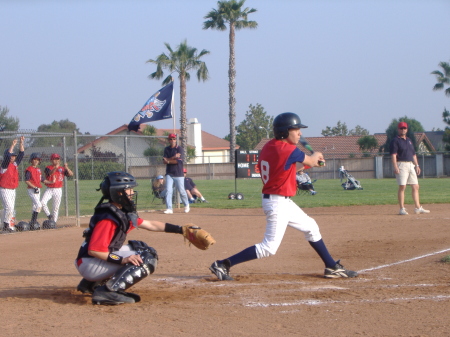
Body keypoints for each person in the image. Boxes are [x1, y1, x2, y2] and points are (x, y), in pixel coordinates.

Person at [209, 112, 358, 280]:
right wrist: (316, 157)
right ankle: (223, 264)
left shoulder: (269, 146)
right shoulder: (288, 149)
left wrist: (312, 161)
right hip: (277, 203)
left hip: (281, 201)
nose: (299, 133)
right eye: (295, 130)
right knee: (269, 248)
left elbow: (287, 169)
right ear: (284, 132)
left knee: (311, 227)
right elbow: (309, 160)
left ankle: (331, 266)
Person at [74, 171, 195, 305]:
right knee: (145, 258)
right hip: (90, 263)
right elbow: (94, 250)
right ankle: (109, 292)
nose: (132, 193)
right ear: (118, 192)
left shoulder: (120, 212)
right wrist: (122, 259)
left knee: (142, 248)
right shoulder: (108, 219)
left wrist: (181, 230)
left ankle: (90, 285)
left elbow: (150, 224)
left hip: (91, 261)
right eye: (129, 189)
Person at [390, 121, 430, 215]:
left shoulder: (409, 140)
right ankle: (402, 209)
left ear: (407, 129)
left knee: (415, 186)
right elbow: (393, 155)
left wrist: (417, 165)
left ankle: (417, 207)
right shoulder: (395, 140)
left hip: (410, 164)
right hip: (401, 164)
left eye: (404, 128)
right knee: (402, 186)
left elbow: (413, 154)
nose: (403, 130)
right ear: (398, 129)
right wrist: (395, 166)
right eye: (401, 128)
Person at [0, 136, 25, 232]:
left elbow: (22, 154)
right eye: (11, 156)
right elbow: (7, 157)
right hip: (5, 189)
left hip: (12, 190)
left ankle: (10, 226)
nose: (13, 157)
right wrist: (13, 145)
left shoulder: (14, 164)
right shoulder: (4, 166)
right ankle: (6, 226)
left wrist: (21, 143)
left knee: (11, 208)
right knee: (9, 207)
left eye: (14, 156)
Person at [41, 153, 74, 223]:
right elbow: (50, 173)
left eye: (57, 159)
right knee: (42, 202)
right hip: (49, 189)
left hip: (58, 189)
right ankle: (49, 215)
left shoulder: (62, 169)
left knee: (56, 208)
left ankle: (54, 223)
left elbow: (71, 174)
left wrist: (67, 168)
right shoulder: (48, 167)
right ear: (51, 160)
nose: (56, 160)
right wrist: (56, 167)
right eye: (54, 159)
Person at [25, 153, 54, 228]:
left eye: (37, 160)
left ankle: (33, 222)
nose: (36, 161)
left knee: (35, 206)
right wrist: (34, 187)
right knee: (39, 205)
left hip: (37, 190)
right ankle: (34, 221)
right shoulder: (29, 169)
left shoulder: (38, 170)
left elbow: (43, 180)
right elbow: (27, 180)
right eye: (34, 159)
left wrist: (51, 182)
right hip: (32, 189)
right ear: (31, 160)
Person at [162, 134, 189, 214]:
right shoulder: (166, 149)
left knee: (181, 191)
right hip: (169, 173)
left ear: (175, 140)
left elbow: (178, 161)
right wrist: (173, 157)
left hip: (178, 173)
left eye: (174, 139)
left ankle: (186, 205)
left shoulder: (179, 149)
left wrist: (169, 160)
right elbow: (164, 161)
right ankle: (169, 208)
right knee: (168, 190)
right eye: (171, 139)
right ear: (169, 140)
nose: (172, 140)